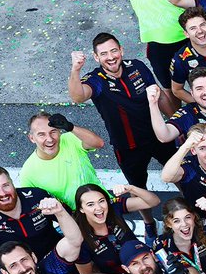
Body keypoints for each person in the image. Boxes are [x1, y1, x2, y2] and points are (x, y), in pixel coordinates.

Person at [69, 33, 177, 217]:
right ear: (96, 57)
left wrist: (176, 123)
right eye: (104, 54)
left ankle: (192, 206)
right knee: (138, 190)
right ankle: (149, 224)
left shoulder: (137, 66)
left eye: (113, 51)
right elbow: (78, 96)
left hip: (158, 136)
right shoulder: (97, 79)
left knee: (178, 173)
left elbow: (159, 96)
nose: (110, 57)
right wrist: (75, 70)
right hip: (128, 148)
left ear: (121, 50)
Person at [72, 184, 160, 274]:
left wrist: (131, 188)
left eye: (101, 201)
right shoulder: (79, 239)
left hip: (146, 265)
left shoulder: (114, 208)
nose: (99, 208)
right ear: (81, 209)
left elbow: (154, 201)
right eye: (90, 204)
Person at [19, 111, 106, 206]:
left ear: (60, 131)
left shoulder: (71, 139)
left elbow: (99, 143)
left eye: (53, 132)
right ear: (32, 138)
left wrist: (70, 127)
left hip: (104, 203)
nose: (50, 139)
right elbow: (31, 205)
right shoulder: (28, 173)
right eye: (41, 134)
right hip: (74, 217)